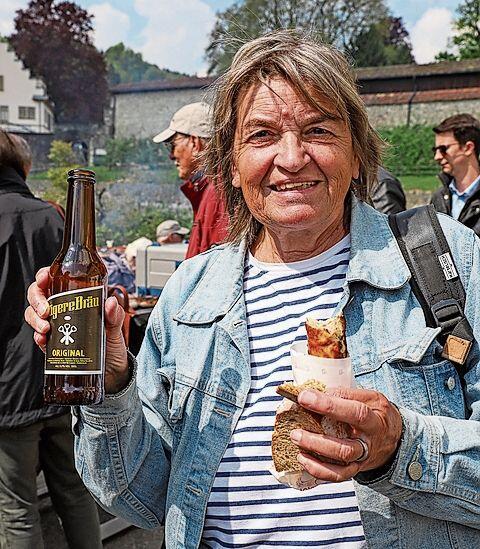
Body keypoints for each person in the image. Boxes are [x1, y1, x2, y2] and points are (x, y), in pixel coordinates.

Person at [25, 31, 480, 548]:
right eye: (262, 136)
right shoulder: (190, 295)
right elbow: (142, 499)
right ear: (233, 168)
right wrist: (111, 386)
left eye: (318, 131)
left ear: (357, 153)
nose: (291, 158)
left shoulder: (447, 261)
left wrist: (400, 447)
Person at [0, 131, 101, 549]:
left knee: (16, 507)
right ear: (23, 168)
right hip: (61, 377)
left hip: (7, 391)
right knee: (76, 492)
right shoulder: (53, 215)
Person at [153, 102, 228, 258]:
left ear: (195, 143)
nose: (171, 155)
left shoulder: (218, 194)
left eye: (172, 145)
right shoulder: (213, 189)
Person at [430, 113, 480, 234]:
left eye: (443, 149)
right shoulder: (439, 198)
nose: (437, 157)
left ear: (468, 148)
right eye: (435, 150)